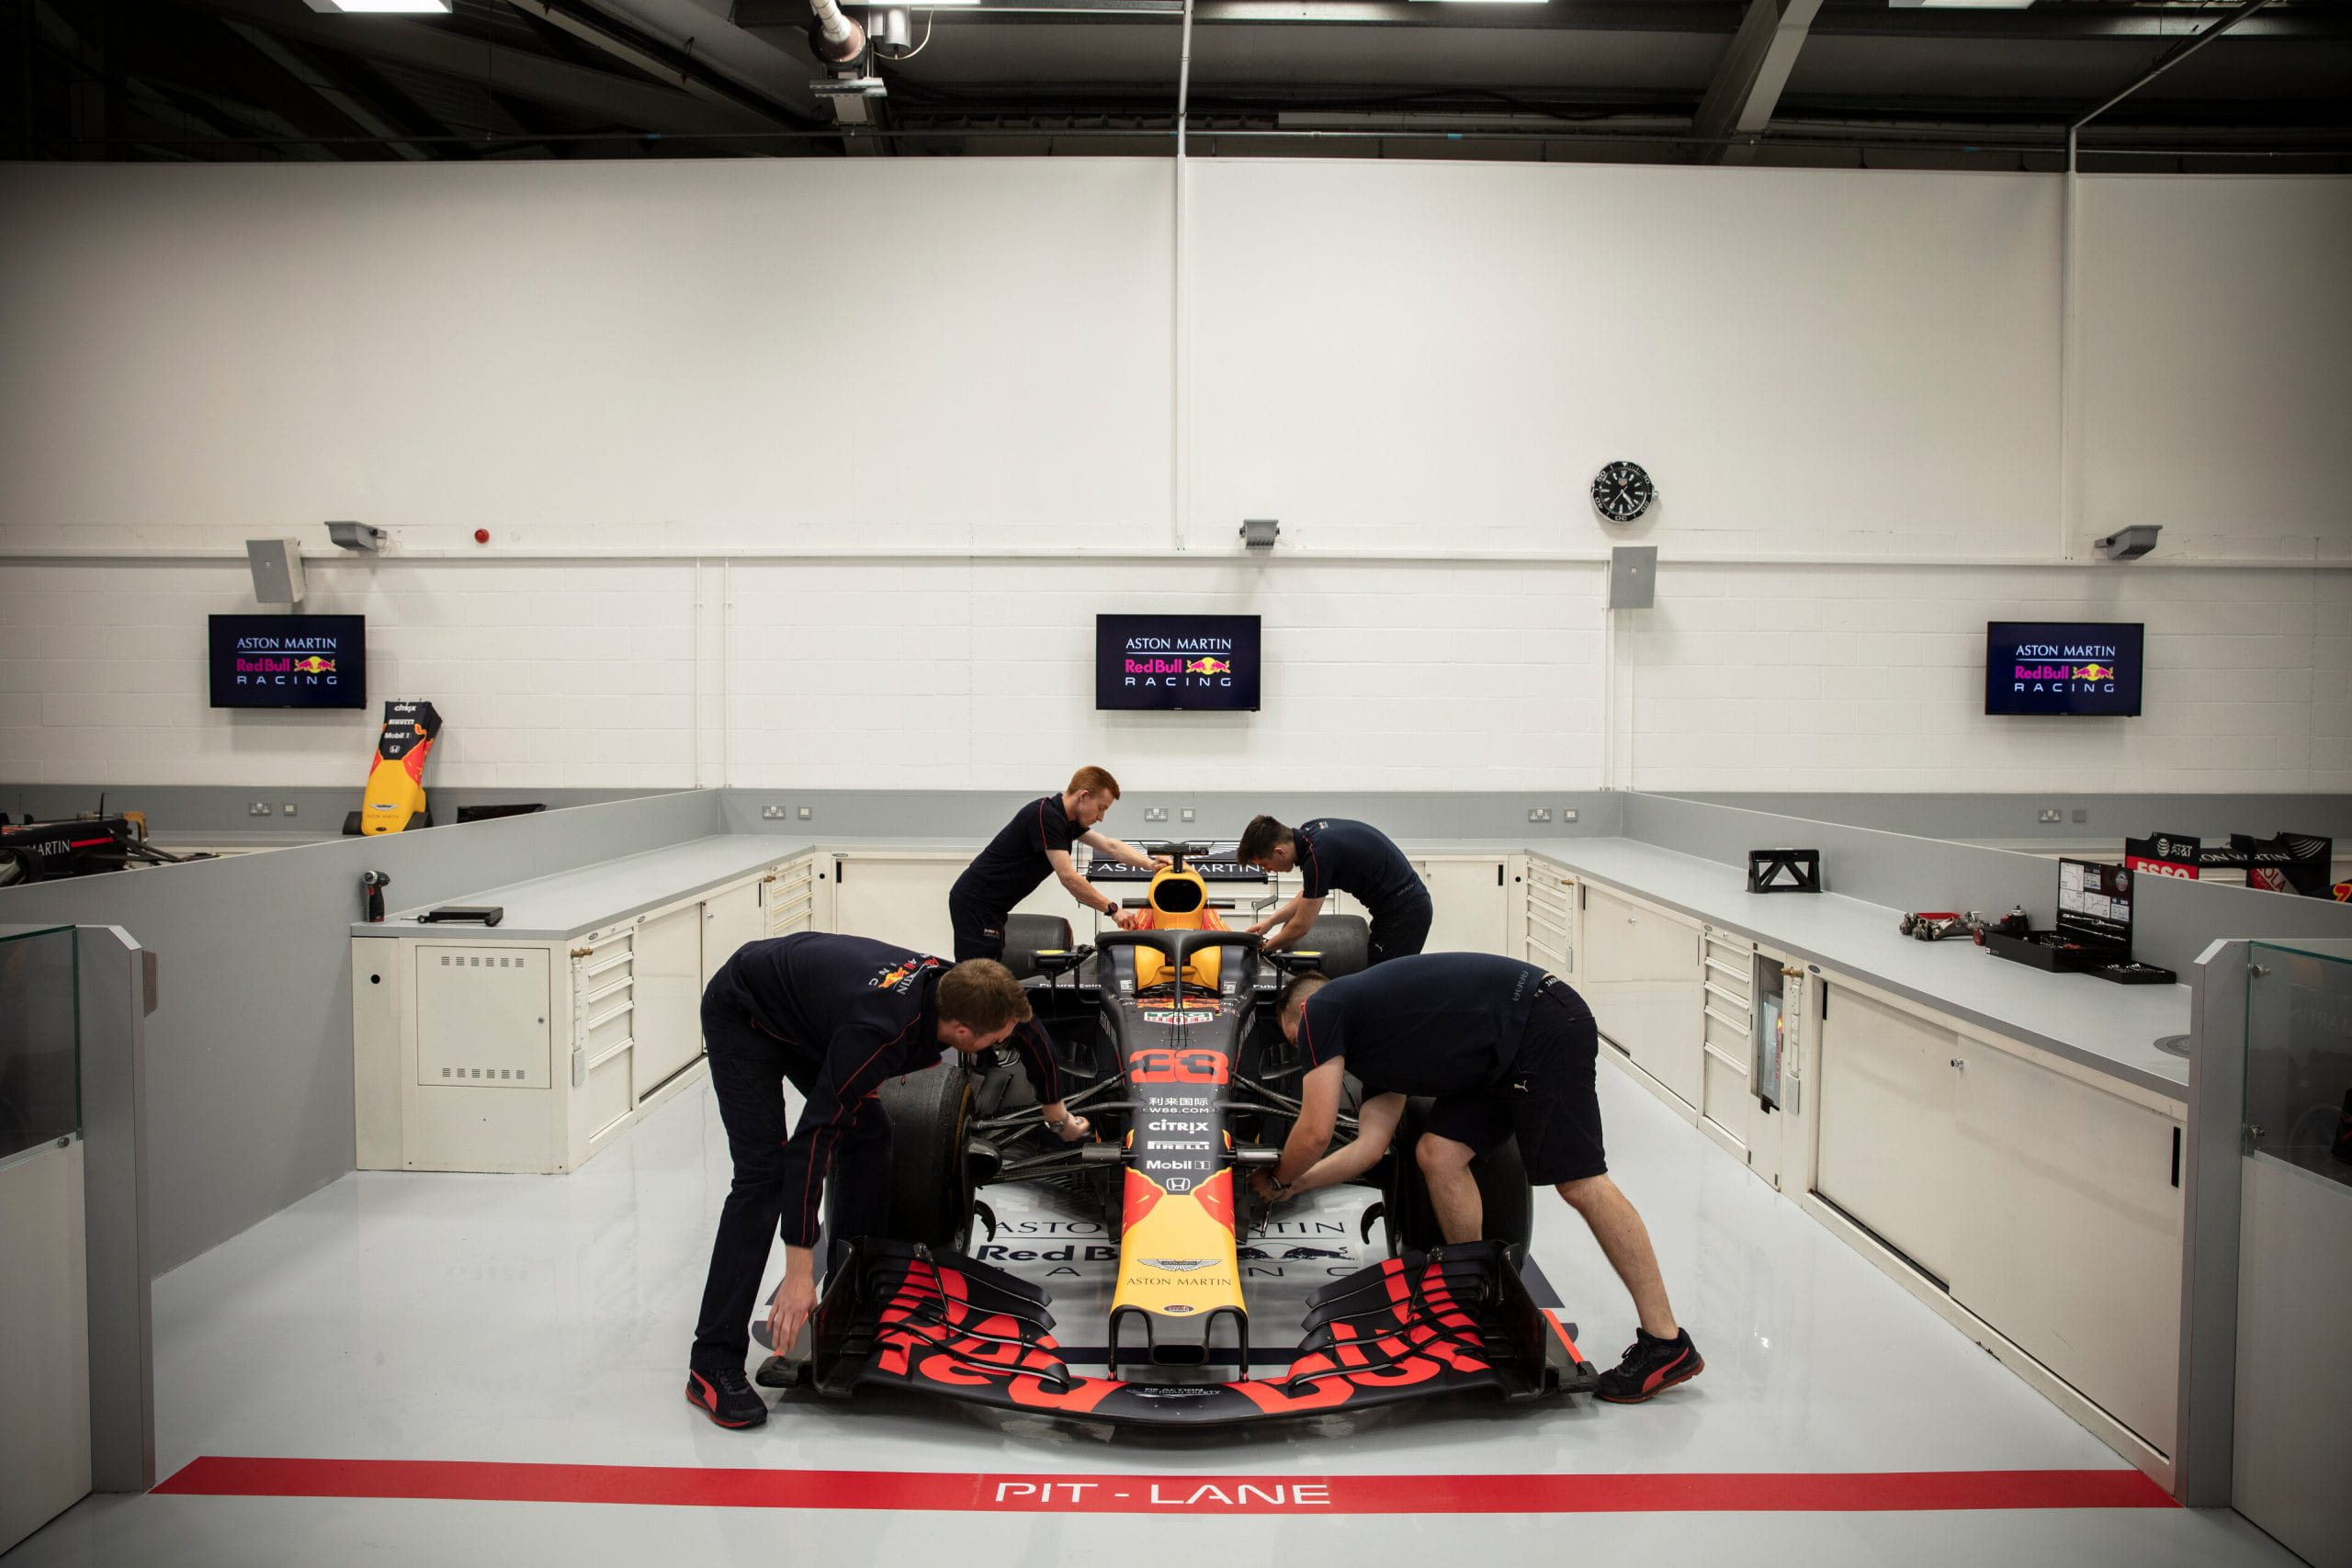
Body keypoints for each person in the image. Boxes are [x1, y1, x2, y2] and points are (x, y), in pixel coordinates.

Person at [1250, 954, 1702, 1404]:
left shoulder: (1323, 1009)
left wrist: (1275, 1177)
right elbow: (1369, 1147)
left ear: (1301, 1015)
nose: (1302, 1053)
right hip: (1501, 1054)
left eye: (1295, 1041)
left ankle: (1666, 1343)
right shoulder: (1377, 1044)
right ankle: (1477, 1292)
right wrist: (1295, 1186)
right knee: (1439, 1154)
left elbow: (1314, 1133)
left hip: (1541, 1023)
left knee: (1580, 1183)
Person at [684, 932, 1092, 1429]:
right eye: (992, 1040)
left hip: (810, 1005)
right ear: (962, 1033)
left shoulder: (961, 986)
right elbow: (814, 1140)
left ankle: (851, 1292)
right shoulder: (879, 1033)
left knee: (871, 1134)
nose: (1000, 1044)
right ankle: (712, 1362)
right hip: (745, 1010)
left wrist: (1056, 1112)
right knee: (763, 1178)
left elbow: (1027, 1032)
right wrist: (796, 1274)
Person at [948, 766, 1164, 961]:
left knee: (988, 975)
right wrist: (1112, 909)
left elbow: (1110, 846)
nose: (1101, 817)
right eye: (1101, 808)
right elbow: (1068, 878)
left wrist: (1150, 863)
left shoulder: (1066, 821)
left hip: (992, 908)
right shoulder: (1046, 815)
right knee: (977, 981)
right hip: (975, 903)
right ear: (1084, 796)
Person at [1237, 815, 1433, 965]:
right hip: (1399, 909)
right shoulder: (1310, 834)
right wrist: (1270, 922)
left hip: (1405, 912)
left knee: (1383, 987)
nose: (1268, 870)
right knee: (1378, 982)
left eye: (1264, 864)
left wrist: (1264, 948)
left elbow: (1301, 926)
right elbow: (1308, 896)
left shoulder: (1318, 855)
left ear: (1279, 852)